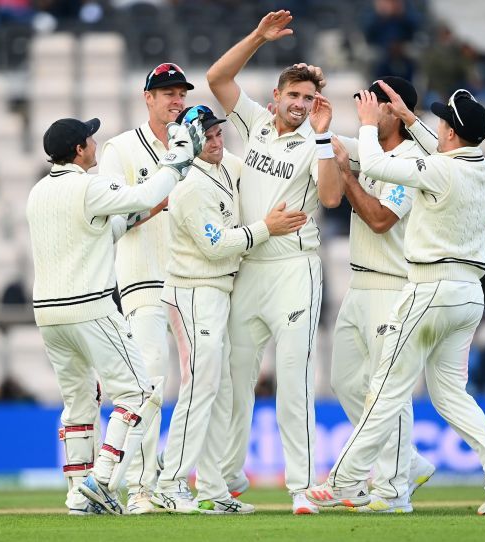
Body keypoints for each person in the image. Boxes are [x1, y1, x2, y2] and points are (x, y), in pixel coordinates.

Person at [308, 86, 485, 515]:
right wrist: (410, 120)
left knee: (385, 390)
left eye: (442, 123)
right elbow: (440, 149)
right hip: (468, 297)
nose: (438, 129)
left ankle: (345, 481)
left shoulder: (437, 170)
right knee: (450, 396)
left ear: (448, 133)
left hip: (430, 290)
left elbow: (374, 164)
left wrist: (370, 125)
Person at [27, 115, 204, 515]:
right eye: (89, 139)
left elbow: (104, 231)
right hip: (89, 306)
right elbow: (145, 193)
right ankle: (102, 479)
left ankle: (77, 494)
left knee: (79, 402)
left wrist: (148, 212)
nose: (94, 143)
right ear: (78, 149)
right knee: (140, 391)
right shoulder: (89, 186)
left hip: (48, 316)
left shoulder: (38, 192)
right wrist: (179, 156)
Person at [206, 10, 342, 514]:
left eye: (309, 99)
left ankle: (303, 488)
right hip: (250, 266)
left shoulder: (318, 141)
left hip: (294, 268)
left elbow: (329, 199)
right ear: (276, 99)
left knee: (294, 379)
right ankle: (223, 481)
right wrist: (260, 38)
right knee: (234, 379)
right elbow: (217, 78)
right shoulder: (256, 123)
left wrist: (325, 136)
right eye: (295, 97)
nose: (302, 106)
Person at [151, 105, 307, 514]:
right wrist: (265, 229)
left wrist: (274, 126)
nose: (218, 141)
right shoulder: (190, 188)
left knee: (219, 391)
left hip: (217, 294)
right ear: (192, 141)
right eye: (209, 136)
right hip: (192, 292)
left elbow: (262, 169)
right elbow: (216, 245)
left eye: (220, 134)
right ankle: (169, 482)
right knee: (201, 385)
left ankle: (213, 489)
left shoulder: (223, 168)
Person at [328, 76, 435, 513]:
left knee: (386, 391)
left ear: (398, 111)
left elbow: (379, 219)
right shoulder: (368, 147)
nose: (368, 110)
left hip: (393, 284)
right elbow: (326, 142)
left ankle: (393, 491)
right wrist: (316, 120)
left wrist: (347, 175)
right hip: (359, 283)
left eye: (379, 103)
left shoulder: (411, 160)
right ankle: (407, 461)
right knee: (345, 382)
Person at [97, 61, 194, 514]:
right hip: (144, 278)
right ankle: (139, 485)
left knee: (201, 385)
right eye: (168, 94)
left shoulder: (196, 144)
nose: (176, 101)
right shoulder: (118, 149)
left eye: (181, 94)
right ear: (148, 98)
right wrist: (158, 202)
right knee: (152, 381)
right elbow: (115, 219)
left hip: (197, 279)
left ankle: (185, 482)